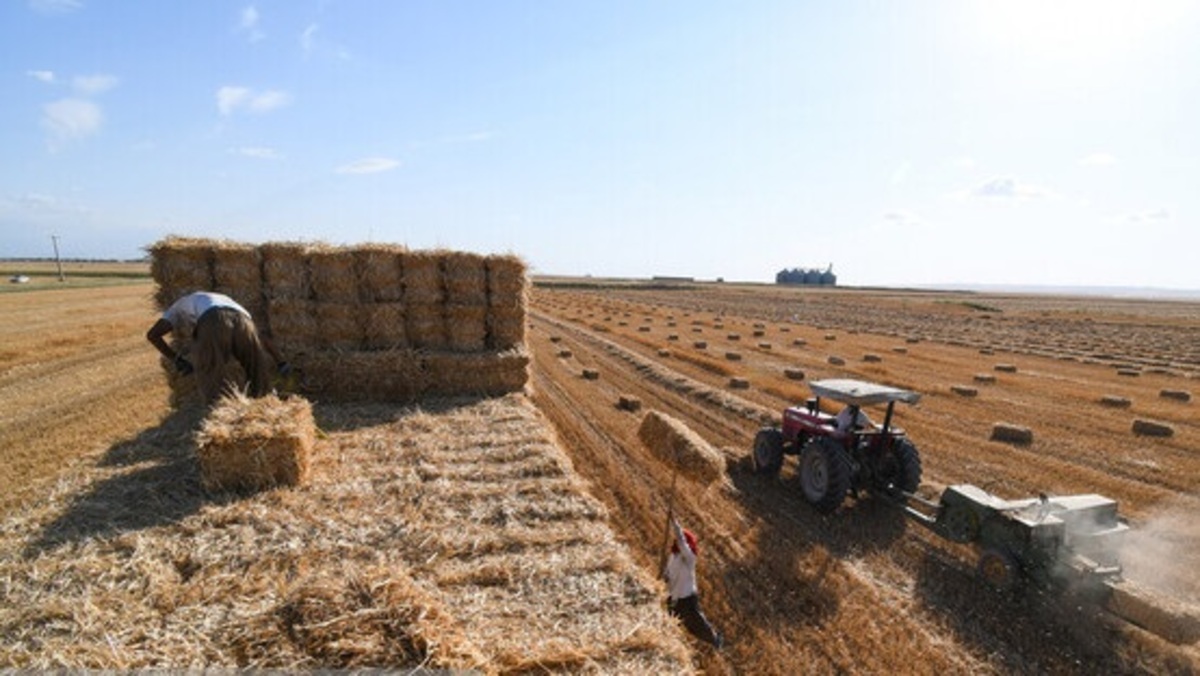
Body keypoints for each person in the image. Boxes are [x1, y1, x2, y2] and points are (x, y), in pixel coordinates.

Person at [147, 291, 287, 404]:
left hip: (213, 319)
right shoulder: (223, 299)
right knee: (256, 370)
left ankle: (218, 417)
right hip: (245, 320)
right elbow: (261, 337)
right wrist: (281, 362)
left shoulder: (177, 307)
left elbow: (153, 335)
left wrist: (177, 360)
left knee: (210, 371)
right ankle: (265, 407)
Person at [662, 516, 722, 648]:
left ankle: (715, 640)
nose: (681, 544)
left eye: (684, 542)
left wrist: (675, 525)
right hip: (674, 598)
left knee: (697, 625)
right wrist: (664, 577)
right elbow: (668, 574)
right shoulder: (673, 557)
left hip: (687, 598)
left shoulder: (690, 558)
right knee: (674, 623)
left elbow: (682, 542)